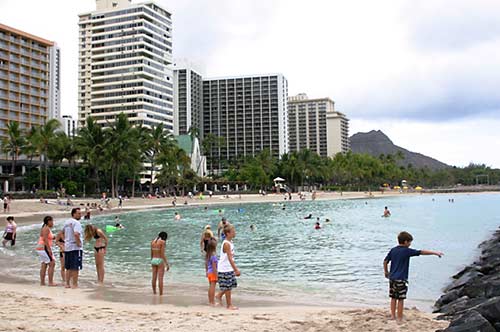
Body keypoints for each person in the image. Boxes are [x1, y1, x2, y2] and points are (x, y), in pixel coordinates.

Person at [383, 231, 443, 321]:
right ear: (406, 242)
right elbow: (421, 252)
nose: (410, 244)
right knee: (400, 299)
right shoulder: (406, 251)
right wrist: (435, 253)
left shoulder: (393, 250)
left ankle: (393, 316)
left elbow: (385, 261)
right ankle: (399, 317)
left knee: (393, 297)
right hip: (401, 278)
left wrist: (386, 272)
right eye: (410, 242)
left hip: (392, 278)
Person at [216, 224, 240, 310]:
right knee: (228, 287)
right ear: (227, 233)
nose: (235, 233)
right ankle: (229, 305)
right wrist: (236, 269)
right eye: (233, 232)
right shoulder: (226, 244)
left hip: (228, 268)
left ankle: (219, 295)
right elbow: (230, 258)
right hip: (224, 268)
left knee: (230, 286)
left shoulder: (230, 242)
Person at [62, 208, 83, 289]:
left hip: (68, 247)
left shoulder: (67, 222)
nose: (80, 215)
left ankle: (67, 283)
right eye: (78, 213)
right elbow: (76, 234)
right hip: (75, 247)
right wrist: (78, 243)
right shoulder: (76, 223)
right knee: (75, 267)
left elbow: (62, 232)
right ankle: (74, 284)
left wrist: (66, 240)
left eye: (80, 213)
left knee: (68, 266)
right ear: (73, 214)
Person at [35, 216, 57, 286]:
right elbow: (45, 239)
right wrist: (49, 249)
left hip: (41, 247)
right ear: (49, 221)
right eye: (52, 221)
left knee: (44, 264)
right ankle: (50, 282)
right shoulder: (46, 228)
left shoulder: (46, 228)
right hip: (43, 247)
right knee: (52, 263)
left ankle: (42, 282)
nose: (53, 223)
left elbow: (49, 238)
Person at [205, 238, 218, 306]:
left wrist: (206, 271)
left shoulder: (208, 255)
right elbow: (214, 267)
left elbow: (206, 264)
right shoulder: (213, 256)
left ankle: (210, 301)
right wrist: (216, 275)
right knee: (213, 287)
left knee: (210, 287)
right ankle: (212, 302)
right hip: (213, 273)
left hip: (209, 273)